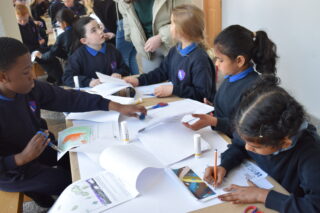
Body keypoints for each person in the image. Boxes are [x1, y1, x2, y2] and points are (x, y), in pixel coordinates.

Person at [0, 37, 146, 208]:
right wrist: (20, 158)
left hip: (40, 146)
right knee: (68, 182)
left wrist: (114, 105)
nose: (32, 76)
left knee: (81, 161)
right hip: (13, 169)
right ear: (3, 77)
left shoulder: (29, 88)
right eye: (26, 72)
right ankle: (43, 198)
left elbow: (68, 98)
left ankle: (41, 193)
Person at [204, 75, 320, 212]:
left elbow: (314, 207)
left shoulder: (311, 156)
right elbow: (239, 145)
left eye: (255, 147)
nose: (247, 147)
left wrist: (262, 195)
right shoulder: (257, 132)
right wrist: (224, 165)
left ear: (284, 143)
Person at [183, 25, 278, 137]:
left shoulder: (254, 89)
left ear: (239, 61)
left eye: (221, 60)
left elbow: (246, 129)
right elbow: (230, 109)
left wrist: (214, 121)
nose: (216, 64)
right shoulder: (230, 77)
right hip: (220, 136)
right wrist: (214, 106)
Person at [114, 0, 190, 73]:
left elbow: (185, 21)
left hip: (174, 44)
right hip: (148, 49)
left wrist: (161, 37)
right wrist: (135, 40)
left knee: (179, 79)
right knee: (152, 82)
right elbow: (127, 22)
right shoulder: (122, 1)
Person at [63, 17, 130, 87]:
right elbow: (67, 78)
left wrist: (118, 73)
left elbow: (124, 68)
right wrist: (88, 82)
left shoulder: (112, 49)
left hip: (114, 89)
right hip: (92, 94)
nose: (100, 31)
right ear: (84, 41)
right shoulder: (77, 57)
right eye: (93, 31)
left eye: (99, 27)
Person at [15, 4, 64, 85]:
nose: (23, 22)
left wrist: (39, 39)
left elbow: (36, 33)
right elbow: (22, 44)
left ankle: (55, 77)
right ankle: (58, 80)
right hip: (29, 51)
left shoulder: (31, 23)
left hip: (37, 46)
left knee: (53, 54)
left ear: (28, 15)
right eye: (20, 20)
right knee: (48, 60)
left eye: (25, 19)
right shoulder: (17, 28)